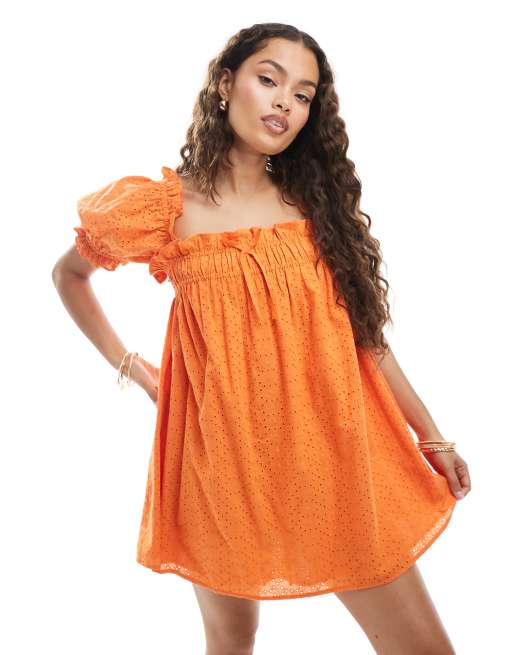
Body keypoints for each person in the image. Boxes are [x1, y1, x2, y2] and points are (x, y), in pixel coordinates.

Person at [52, 22, 471, 655]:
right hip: (220, 459)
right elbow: (70, 276)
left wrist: (430, 435)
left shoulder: (315, 205)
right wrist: (136, 368)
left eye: (302, 95)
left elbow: (367, 338)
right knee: (233, 639)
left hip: (332, 453)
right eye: (269, 80)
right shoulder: (163, 209)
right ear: (226, 84)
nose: (284, 103)